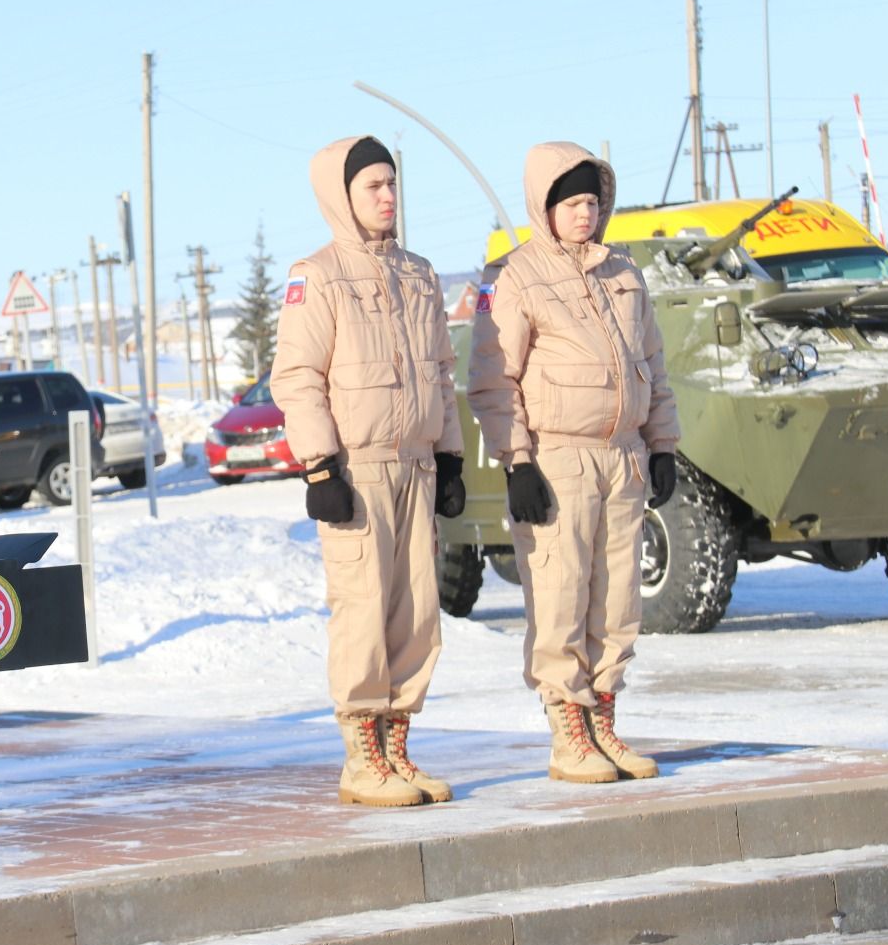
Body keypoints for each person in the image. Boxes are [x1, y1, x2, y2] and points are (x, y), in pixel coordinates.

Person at [467, 142, 679, 784]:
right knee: (560, 596)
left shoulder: (623, 271)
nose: (585, 213)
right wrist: (518, 461)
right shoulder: (518, 278)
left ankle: (604, 722)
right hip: (558, 459)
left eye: (592, 201)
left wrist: (663, 444)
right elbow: (493, 381)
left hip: (624, 457)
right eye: (571, 202)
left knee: (617, 600)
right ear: (546, 207)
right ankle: (568, 732)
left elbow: (654, 366)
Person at [270, 135, 465, 808]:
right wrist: (321, 469)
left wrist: (450, 455)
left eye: (391, 184)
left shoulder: (419, 272)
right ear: (341, 197)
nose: (387, 197)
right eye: (371, 187)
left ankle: (396, 749)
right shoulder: (316, 275)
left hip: (414, 466)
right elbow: (297, 378)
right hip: (359, 472)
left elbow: (442, 371)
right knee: (362, 612)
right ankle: (361, 759)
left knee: (416, 614)